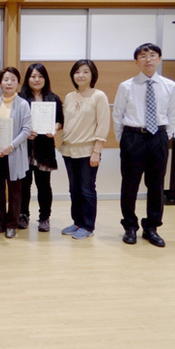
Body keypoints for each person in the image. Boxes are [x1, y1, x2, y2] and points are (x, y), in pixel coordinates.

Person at [112, 43, 175, 247]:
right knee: (130, 184)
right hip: (133, 137)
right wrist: (123, 140)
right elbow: (118, 114)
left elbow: (173, 115)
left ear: (159, 59)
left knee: (156, 185)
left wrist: (162, 137)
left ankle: (151, 227)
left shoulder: (170, 86)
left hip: (157, 136)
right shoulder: (126, 86)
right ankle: (130, 226)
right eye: (143, 56)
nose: (148, 59)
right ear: (136, 61)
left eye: (152, 55)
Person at [59, 59, 110, 240]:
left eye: (85, 71)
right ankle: (77, 222)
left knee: (87, 189)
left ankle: (88, 226)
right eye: (77, 71)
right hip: (68, 150)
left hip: (88, 151)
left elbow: (103, 124)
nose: (81, 75)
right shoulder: (69, 97)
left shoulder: (99, 96)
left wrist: (97, 150)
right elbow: (67, 123)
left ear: (92, 75)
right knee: (74, 190)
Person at [0, 67, 31, 238]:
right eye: (5, 79)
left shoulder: (23, 104)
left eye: (13, 79)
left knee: (14, 191)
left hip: (14, 154)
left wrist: (10, 146)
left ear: (18, 82)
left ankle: (12, 223)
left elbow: (26, 130)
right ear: (0, 83)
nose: (9, 82)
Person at [18, 63, 64, 232]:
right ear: (27, 79)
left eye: (40, 76)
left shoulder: (53, 99)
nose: (36, 80)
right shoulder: (20, 98)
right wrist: (24, 132)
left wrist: (55, 128)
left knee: (44, 185)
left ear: (45, 79)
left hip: (44, 147)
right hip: (25, 147)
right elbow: (15, 121)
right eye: (33, 76)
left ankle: (44, 217)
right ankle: (23, 214)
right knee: (24, 184)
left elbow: (60, 121)